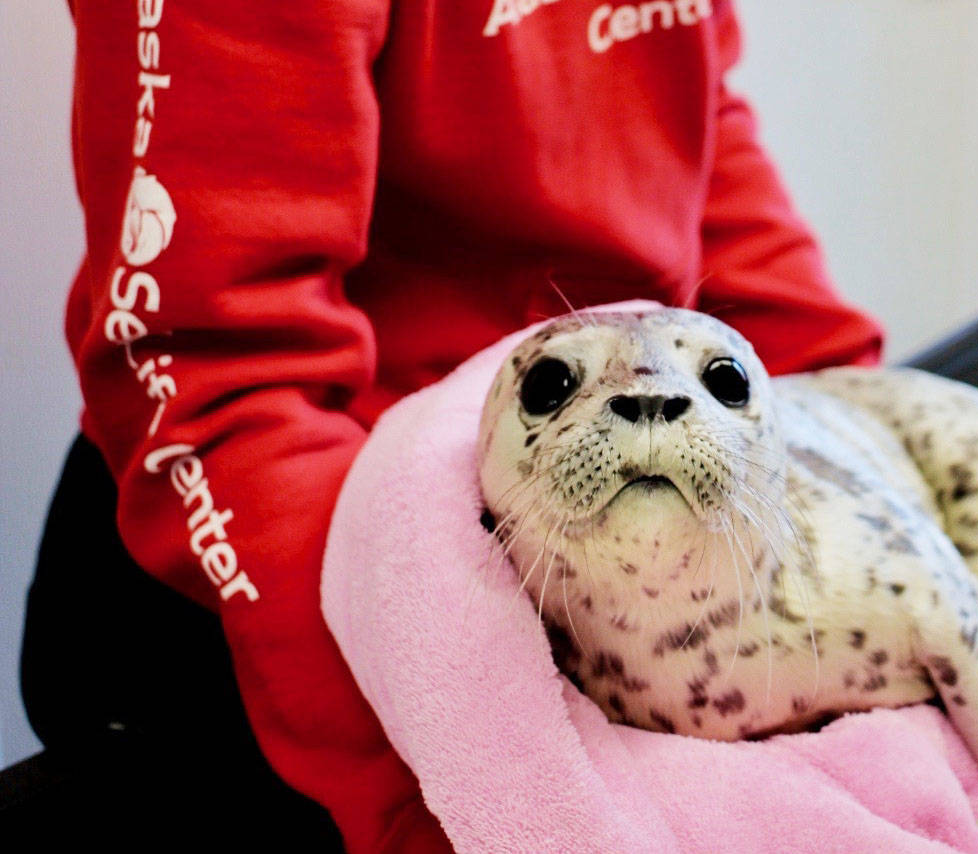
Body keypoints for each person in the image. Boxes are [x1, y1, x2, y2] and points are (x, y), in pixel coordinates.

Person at [20, 2, 978, 851]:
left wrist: (864, 449)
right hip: (287, 578)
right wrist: (443, 802)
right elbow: (217, 375)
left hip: (622, 521)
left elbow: (696, 149)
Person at [22, 2, 881, 851]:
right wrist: (439, 813)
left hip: (610, 571)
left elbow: (691, 128)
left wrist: (881, 473)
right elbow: (223, 374)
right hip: (299, 604)